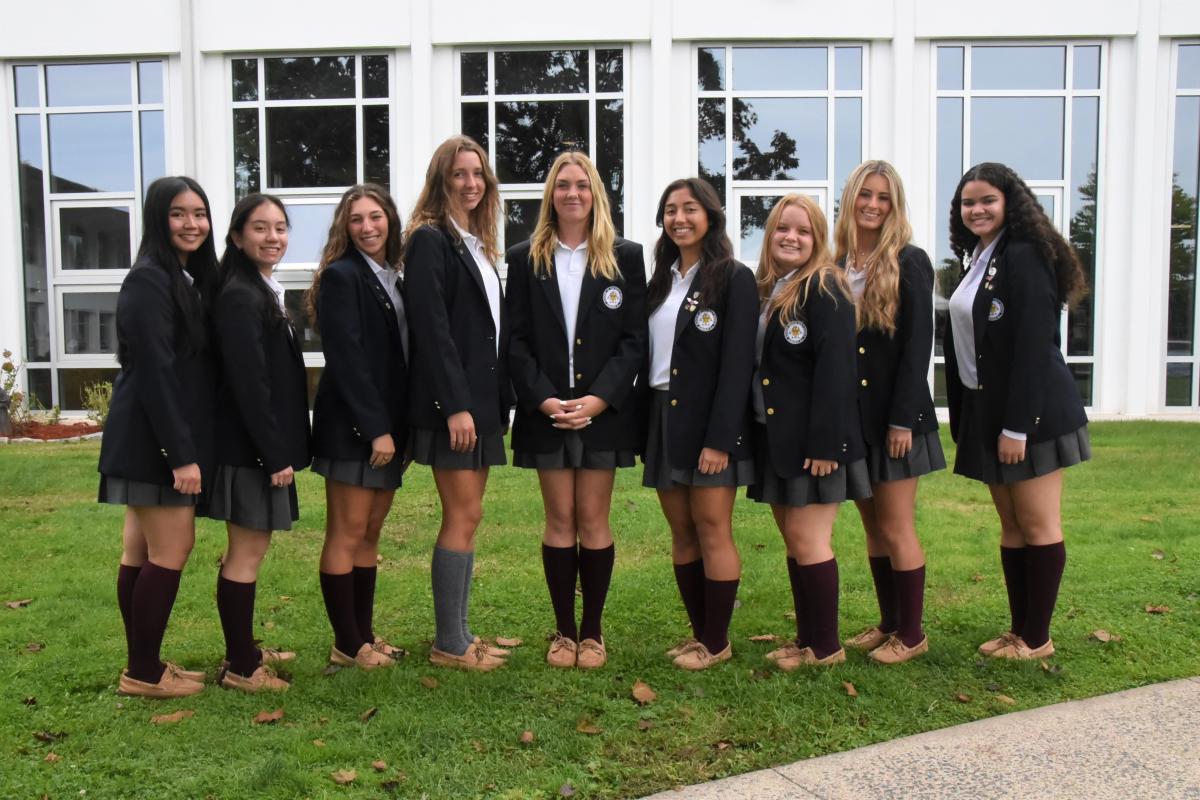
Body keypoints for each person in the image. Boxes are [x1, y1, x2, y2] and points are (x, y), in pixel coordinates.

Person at [506, 152, 647, 670]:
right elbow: (515, 341)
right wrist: (543, 399)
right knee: (559, 518)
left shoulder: (624, 257)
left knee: (593, 518)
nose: (572, 194)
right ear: (551, 194)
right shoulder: (525, 257)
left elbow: (633, 341)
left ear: (596, 194)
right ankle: (564, 632)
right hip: (546, 407)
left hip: (601, 409)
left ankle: (593, 633)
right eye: (562, 185)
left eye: (582, 185)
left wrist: (600, 398)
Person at [945, 162, 1090, 660]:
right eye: (968, 202)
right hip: (990, 412)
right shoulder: (982, 257)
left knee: (1038, 524)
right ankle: (1020, 629)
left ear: (1011, 202)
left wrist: (1016, 427)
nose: (977, 209)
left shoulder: (1026, 254)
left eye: (987, 200)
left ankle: (1037, 638)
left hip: (1032, 417)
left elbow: (1033, 346)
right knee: (1011, 526)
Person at [98, 176, 218, 698]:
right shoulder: (149, 279)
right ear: (157, 218)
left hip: (146, 437)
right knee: (173, 547)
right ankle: (144, 673)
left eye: (199, 213)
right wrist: (180, 455)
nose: (191, 224)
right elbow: (154, 373)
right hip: (151, 440)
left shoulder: (182, 277)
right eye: (178, 214)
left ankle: (143, 663)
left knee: (140, 553)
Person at [403, 136, 514, 672]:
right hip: (458, 409)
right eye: (459, 175)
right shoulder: (430, 241)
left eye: (478, 175)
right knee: (462, 514)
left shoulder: (476, 242)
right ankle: (450, 643)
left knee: (471, 516)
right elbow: (433, 329)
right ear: (441, 181)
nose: (471, 184)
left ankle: (463, 632)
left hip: (483, 403)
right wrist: (455, 406)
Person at [748, 194, 870, 670]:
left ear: (817, 238)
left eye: (802, 231)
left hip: (813, 444)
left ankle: (825, 648)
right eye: (783, 228)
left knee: (808, 539)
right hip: (778, 440)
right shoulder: (774, 287)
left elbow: (837, 371)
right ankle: (806, 639)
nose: (791, 238)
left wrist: (826, 445)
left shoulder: (825, 287)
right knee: (794, 541)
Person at [642, 178, 757, 671]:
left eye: (690, 208)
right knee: (682, 530)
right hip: (663, 416)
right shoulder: (660, 279)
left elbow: (737, 366)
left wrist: (721, 439)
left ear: (711, 215)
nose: (679, 218)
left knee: (712, 528)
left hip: (710, 421)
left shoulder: (733, 277)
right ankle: (698, 635)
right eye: (670, 210)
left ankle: (716, 640)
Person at [833, 161, 946, 664]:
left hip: (897, 421)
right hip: (854, 420)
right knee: (872, 526)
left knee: (897, 525)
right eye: (865, 195)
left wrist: (901, 419)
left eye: (883, 196)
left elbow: (917, 345)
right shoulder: (836, 261)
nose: (872, 204)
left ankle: (913, 633)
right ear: (851, 199)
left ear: (894, 204)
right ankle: (888, 622)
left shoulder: (909, 260)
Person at [208, 193, 311, 692]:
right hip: (248, 453)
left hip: (257, 449)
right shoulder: (240, 296)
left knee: (246, 553)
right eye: (260, 229)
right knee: (245, 555)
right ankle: (243, 670)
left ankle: (242, 651)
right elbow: (249, 384)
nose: (273, 237)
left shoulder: (263, 288)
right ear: (236, 237)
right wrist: (274, 455)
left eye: (280, 228)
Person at [305, 184, 410, 671]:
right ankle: (347, 645)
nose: (367, 227)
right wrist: (376, 429)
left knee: (370, 534)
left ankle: (363, 637)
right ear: (344, 230)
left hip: (389, 427)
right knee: (346, 534)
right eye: (356, 220)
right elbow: (345, 359)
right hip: (354, 430)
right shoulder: (342, 277)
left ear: (390, 218)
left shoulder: (394, 276)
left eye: (375, 217)